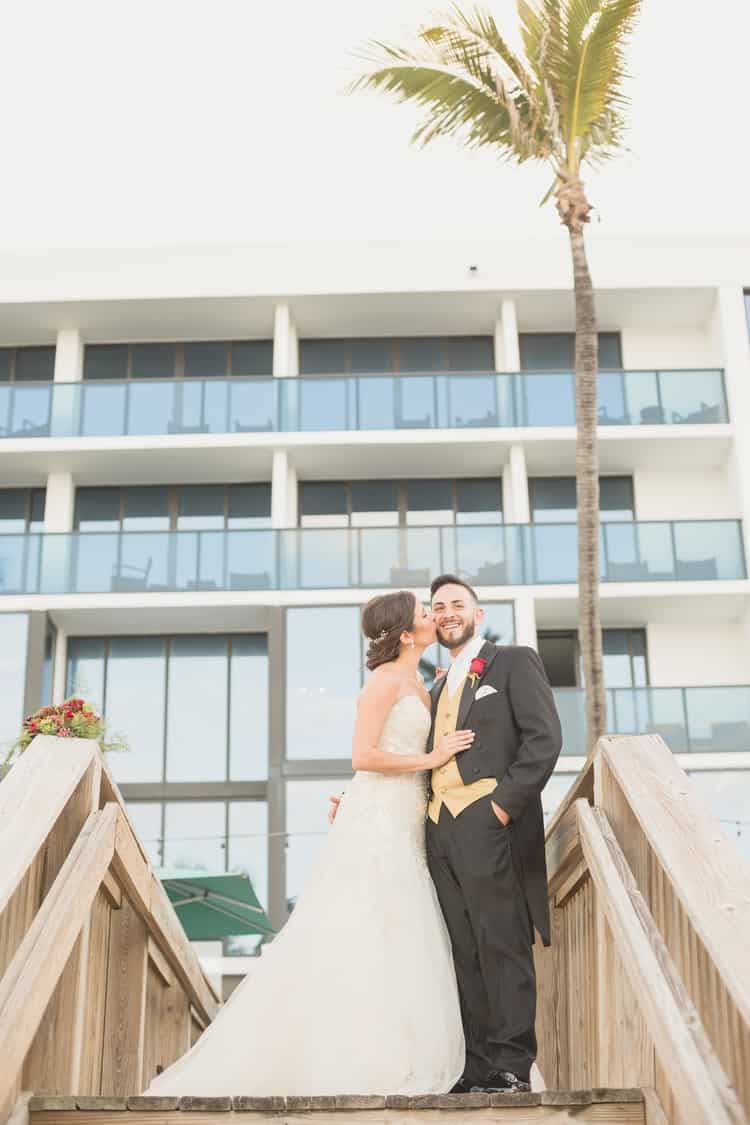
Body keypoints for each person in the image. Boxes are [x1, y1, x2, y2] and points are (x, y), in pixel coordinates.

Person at [144, 590, 468, 1096]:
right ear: (406, 632)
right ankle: (348, 1056)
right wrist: (430, 760)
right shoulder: (383, 682)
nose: (433, 616)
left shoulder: (422, 683)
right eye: (425, 612)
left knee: (404, 927)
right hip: (379, 816)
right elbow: (363, 755)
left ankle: (395, 1052)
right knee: (363, 923)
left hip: (404, 814)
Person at [331, 574, 563, 1094]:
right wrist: (355, 798)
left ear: (478, 614)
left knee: (501, 941)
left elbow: (544, 741)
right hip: (436, 829)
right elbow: (406, 755)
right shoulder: (430, 686)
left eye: (458, 603)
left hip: (489, 822)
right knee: (461, 949)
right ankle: (475, 1066)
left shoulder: (514, 662)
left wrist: (502, 808)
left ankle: (510, 1067)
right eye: (437, 606)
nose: (446, 611)